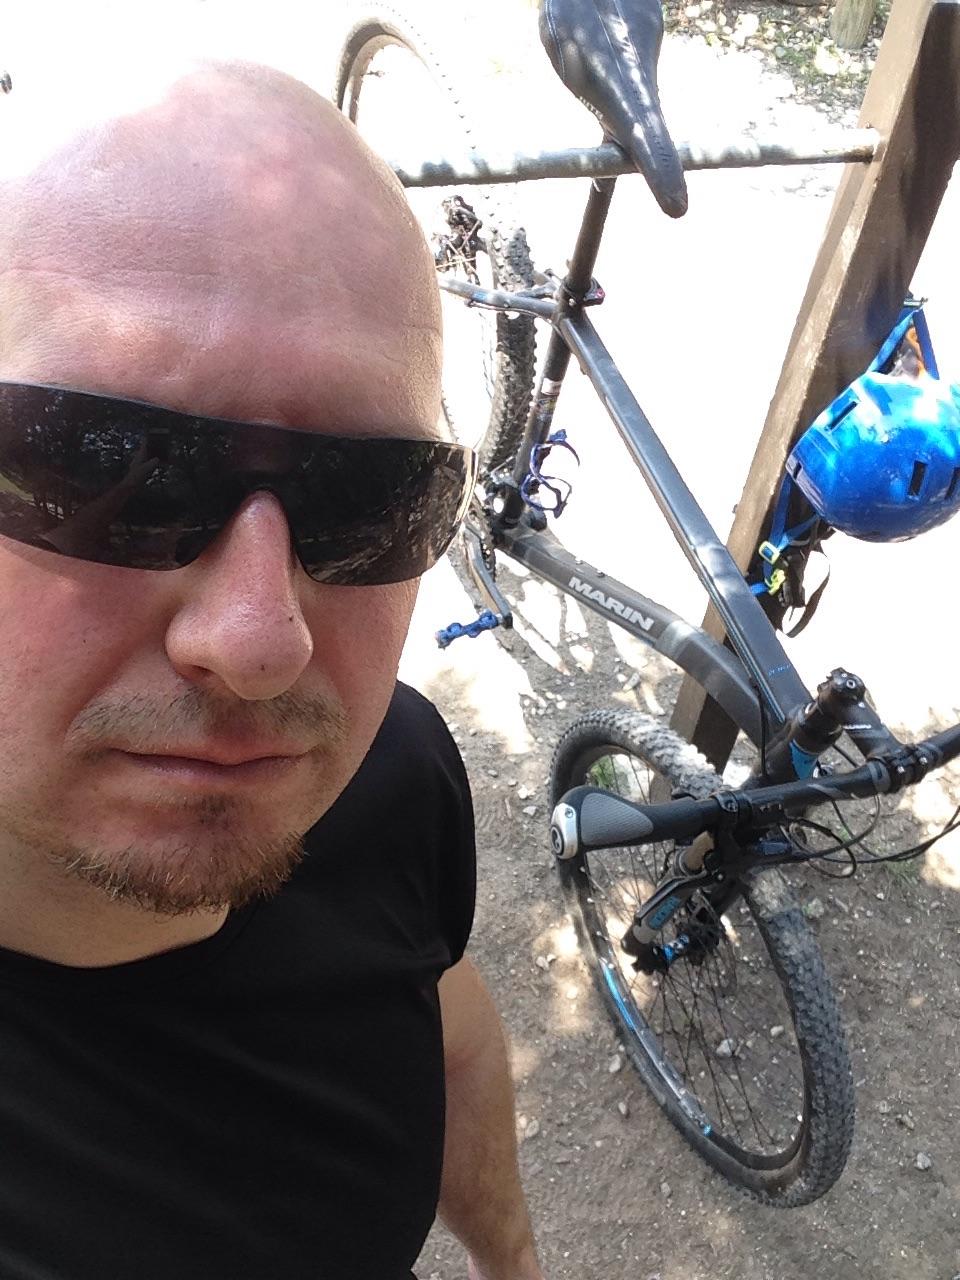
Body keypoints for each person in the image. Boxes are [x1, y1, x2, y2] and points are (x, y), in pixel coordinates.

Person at [0, 59, 543, 1280]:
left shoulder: (389, 769)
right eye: (101, 465)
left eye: (373, 497)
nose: (261, 644)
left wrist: (513, 1262)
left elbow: (435, 1012)